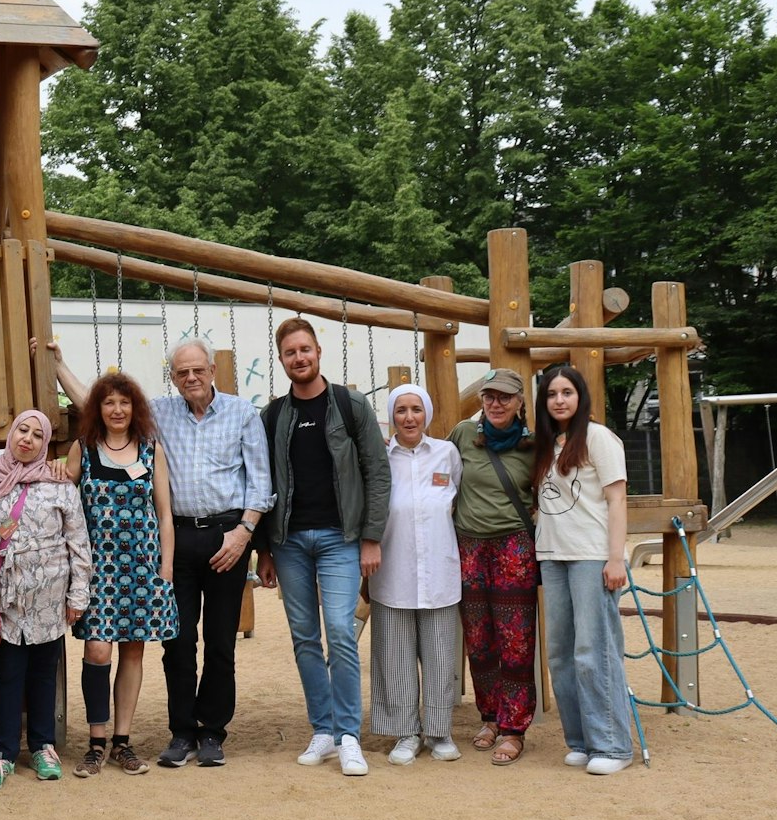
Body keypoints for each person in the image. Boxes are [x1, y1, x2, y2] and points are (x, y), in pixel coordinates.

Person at [44, 336, 269, 770]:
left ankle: (212, 733)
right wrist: (58, 365)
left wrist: (244, 533)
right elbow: (100, 401)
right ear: (173, 378)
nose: (191, 378)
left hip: (224, 537)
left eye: (197, 370)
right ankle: (181, 731)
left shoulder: (240, 413)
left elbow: (259, 479)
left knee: (221, 641)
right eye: (182, 372)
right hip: (169, 542)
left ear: (212, 370)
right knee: (178, 642)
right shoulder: (159, 413)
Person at [258, 318, 390, 778]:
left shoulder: (350, 406)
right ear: (282, 359)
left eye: (305, 350)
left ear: (318, 352)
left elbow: (377, 471)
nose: (299, 358)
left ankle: (349, 734)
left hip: (341, 538)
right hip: (289, 539)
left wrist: (371, 536)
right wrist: (264, 550)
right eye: (290, 352)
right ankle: (323, 730)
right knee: (304, 637)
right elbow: (260, 483)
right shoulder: (273, 416)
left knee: (339, 628)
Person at [0, 408, 91, 789]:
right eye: (22, 431)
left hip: (48, 599)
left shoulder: (60, 485)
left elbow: (78, 543)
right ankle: (4, 752)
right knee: (7, 675)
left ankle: (43, 746)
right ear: (11, 434)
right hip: (3, 602)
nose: (27, 439)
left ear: (45, 444)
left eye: (36, 435)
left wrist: (78, 594)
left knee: (45, 673)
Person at [60, 372, 175, 777]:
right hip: (98, 570)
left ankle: (122, 742)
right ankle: (95, 741)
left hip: (142, 566)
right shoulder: (84, 449)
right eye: (108, 402)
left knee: (133, 650)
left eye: (124, 402)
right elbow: (60, 493)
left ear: (135, 408)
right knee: (97, 650)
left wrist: (166, 567)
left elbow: (164, 513)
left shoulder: (150, 449)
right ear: (97, 409)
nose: (117, 410)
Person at [532, 364, 635, 776]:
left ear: (580, 396)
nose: (559, 400)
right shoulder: (546, 444)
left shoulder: (598, 438)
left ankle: (611, 743)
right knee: (560, 654)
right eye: (552, 393)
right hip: (553, 554)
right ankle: (579, 739)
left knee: (593, 651)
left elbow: (617, 500)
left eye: (567, 392)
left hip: (591, 554)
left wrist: (615, 558)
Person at [364, 385, 463, 765]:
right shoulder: (379, 458)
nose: (409, 417)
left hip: (439, 570)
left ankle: (439, 732)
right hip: (393, 571)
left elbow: (457, 499)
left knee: (440, 655)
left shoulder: (447, 454)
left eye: (416, 410)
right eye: (401, 410)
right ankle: (405, 732)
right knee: (395, 656)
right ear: (391, 415)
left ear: (427, 414)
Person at [450, 368, 541, 766]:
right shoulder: (463, 435)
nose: (496, 403)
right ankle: (489, 717)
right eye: (489, 396)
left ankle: (514, 727)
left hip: (513, 547)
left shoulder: (534, 446)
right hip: (468, 546)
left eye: (505, 397)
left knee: (516, 643)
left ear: (521, 402)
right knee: (480, 640)